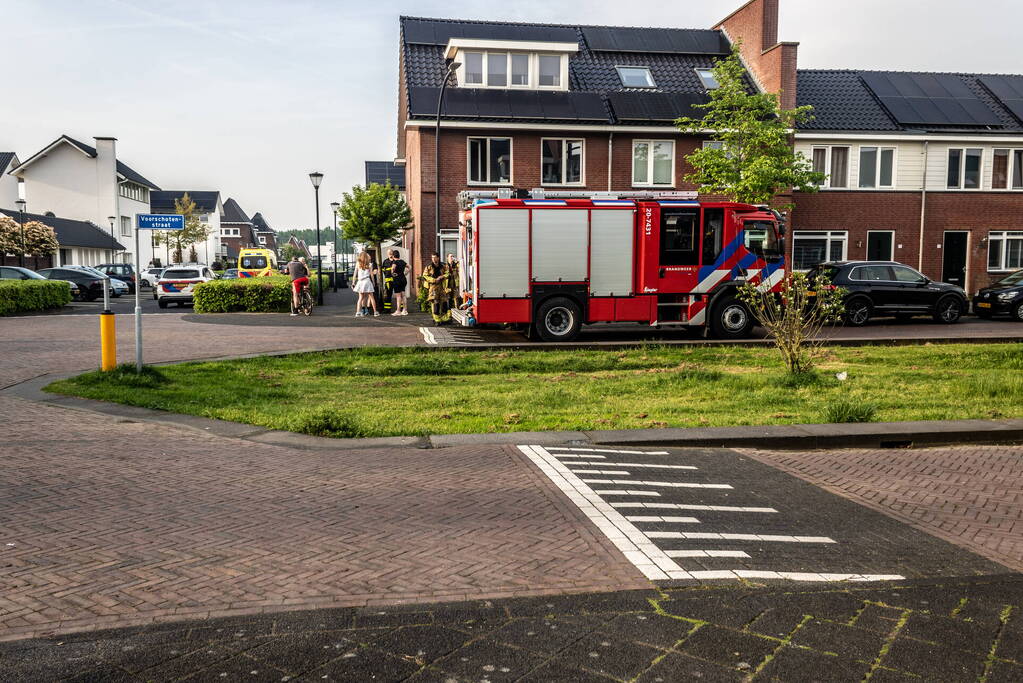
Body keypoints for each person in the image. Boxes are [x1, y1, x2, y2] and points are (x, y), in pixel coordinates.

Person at [422, 252, 450, 325]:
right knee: (435, 303)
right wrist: (433, 280)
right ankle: (436, 319)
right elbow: (425, 276)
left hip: (442, 286)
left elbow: (448, 273)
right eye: (432, 258)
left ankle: (444, 318)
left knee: (444, 302)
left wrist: (442, 276)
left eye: (435, 257)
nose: (433, 259)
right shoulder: (428, 267)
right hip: (433, 287)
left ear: (438, 258)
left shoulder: (443, 266)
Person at [352, 251, 379, 317]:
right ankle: (375, 312)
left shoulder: (358, 264)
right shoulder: (369, 264)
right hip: (367, 281)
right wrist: (374, 283)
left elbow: (355, 274)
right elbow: (372, 275)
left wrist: (353, 283)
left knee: (360, 298)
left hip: (360, 281)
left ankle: (358, 312)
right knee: (371, 297)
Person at [389, 249, 409, 316]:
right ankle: (405, 310)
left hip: (397, 279)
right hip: (403, 279)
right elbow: (410, 267)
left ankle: (398, 311)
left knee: (398, 296)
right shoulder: (402, 261)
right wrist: (406, 273)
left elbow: (392, 269)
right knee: (403, 295)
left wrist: (392, 273)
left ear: (393, 256)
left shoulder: (395, 262)